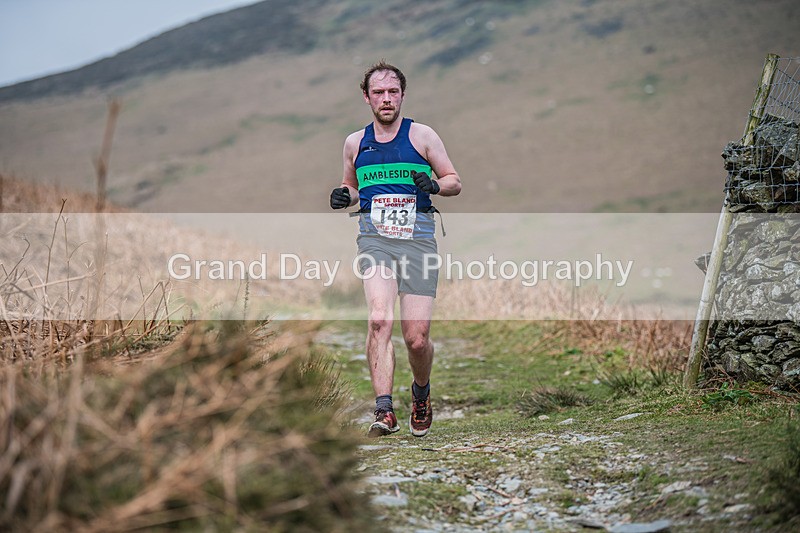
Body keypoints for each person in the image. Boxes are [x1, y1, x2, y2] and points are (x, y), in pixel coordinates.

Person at [330, 60, 461, 438]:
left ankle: (421, 393)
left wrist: (434, 186)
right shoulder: (355, 142)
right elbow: (352, 186)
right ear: (366, 97)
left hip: (418, 237)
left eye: (392, 92)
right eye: (378, 93)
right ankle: (384, 410)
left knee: (416, 337)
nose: (386, 99)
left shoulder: (422, 136)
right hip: (374, 237)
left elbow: (454, 181)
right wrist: (344, 196)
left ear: (402, 95)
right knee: (378, 319)